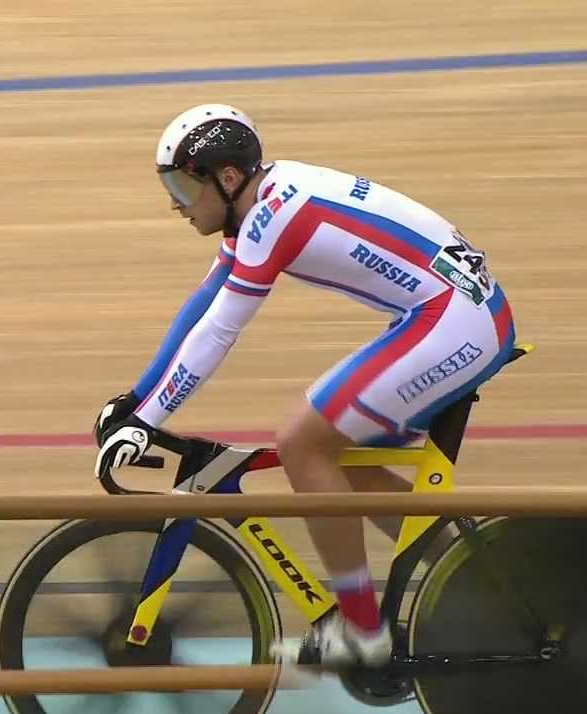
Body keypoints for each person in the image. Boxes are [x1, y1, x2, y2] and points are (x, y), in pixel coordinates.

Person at [92, 103, 516, 669]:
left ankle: (363, 633)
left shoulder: (271, 219)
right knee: (336, 464)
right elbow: (202, 306)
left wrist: (148, 424)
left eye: (181, 186)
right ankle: (459, 572)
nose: (175, 202)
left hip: (454, 320)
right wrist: (136, 401)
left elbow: (220, 329)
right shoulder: (263, 204)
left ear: (226, 177)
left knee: (302, 442)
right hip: (453, 312)